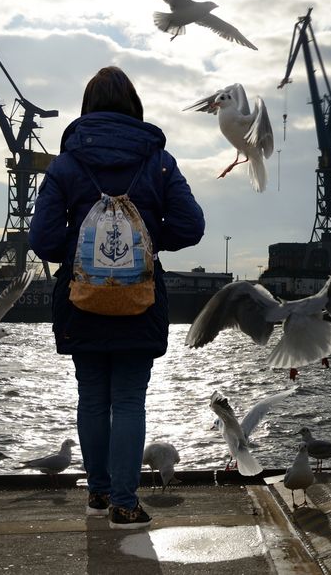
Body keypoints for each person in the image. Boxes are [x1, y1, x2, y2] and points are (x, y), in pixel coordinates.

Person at [30, 66, 204, 529]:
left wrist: (79, 244)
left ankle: (98, 492)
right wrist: (145, 239)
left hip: (81, 299)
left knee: (92, 396)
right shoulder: (160, 162)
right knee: (128, 399)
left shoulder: (65, 165)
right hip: (140, 301)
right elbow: (191, 226)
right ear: (134, 106)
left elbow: (44, 240)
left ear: (86, 108)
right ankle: (124, 506)